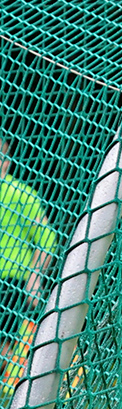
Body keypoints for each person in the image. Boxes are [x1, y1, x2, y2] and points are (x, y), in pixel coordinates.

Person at [0, 138, 58, 394]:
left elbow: (47, 240)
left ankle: (18, 389)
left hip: (11, 281)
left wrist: (35, 278)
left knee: (8, 343)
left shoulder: (20, 194)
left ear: (7, 162)